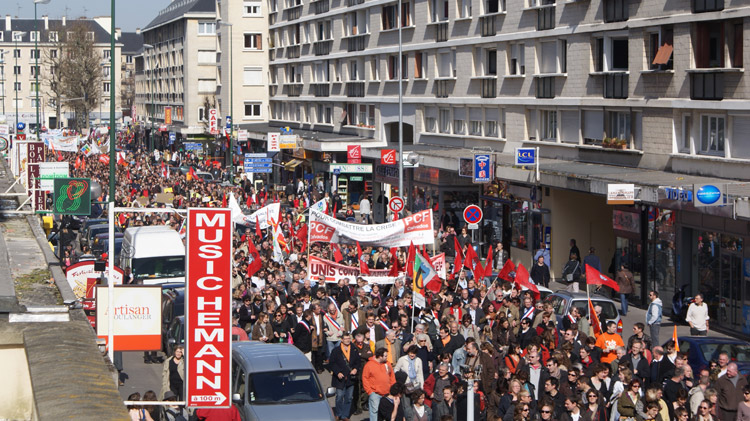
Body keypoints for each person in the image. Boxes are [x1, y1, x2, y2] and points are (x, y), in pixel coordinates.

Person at [330, 332, 361, 421]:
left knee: (348, 397)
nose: (348, 340)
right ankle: (338, 414)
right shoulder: (336, 350)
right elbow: (332, 363)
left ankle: (345, 415)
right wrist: (337, 372)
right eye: (346, 339)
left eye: (349, 338)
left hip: (350, 377)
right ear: (342, 340)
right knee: (339, 397)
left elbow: (358, 362)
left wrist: (355, 369)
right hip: (340, 377)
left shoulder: (354, 349)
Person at [363, 348, 396, 421]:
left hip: (388, 393)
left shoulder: (387, 364)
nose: (387, 358)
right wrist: (370, 391)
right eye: (385, 356)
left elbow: (392, 376)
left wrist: (393, 389)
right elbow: (365, 378)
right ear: (380, 356)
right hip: (375, 393)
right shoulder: (369, 365)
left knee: (388, 411)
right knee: (375, 411)